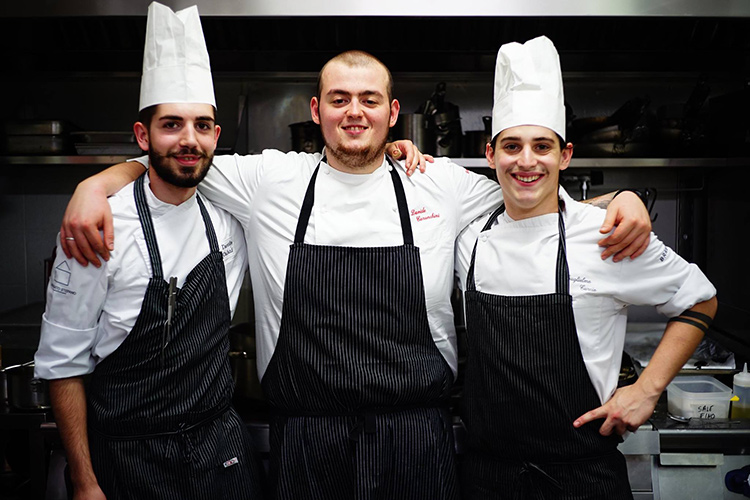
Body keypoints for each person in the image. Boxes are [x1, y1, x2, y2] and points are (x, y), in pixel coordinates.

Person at [57, 47, 652, 499]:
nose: (355, 112)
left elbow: (531, 194)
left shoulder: (438, 184)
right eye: (339, 99)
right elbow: (177, 158)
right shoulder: (269, 181)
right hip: (309, 440)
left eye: (370, 100)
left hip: (417, 435)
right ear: (316, 110)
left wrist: (621, 198)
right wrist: (94, 186)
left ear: (394, 114)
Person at [455, 36, 718, 499]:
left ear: (566, 154)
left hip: (580, 479)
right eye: (512, 146)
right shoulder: (468, 236)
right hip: (486, 477)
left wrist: (647, 390)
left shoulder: (606, 234)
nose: (527, 160)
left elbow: (700, 298)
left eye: (543, 145)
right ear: (490, 153)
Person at [33, 4, 265, 499]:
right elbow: (63, 364)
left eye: (202, 126)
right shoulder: (98, 226)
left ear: (216, 137)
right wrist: (84, 480)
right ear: (143, 136)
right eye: (171, 124)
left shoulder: (234, 212)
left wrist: (399, 151)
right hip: (129, 458)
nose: (189, 140)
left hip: (219, 450)